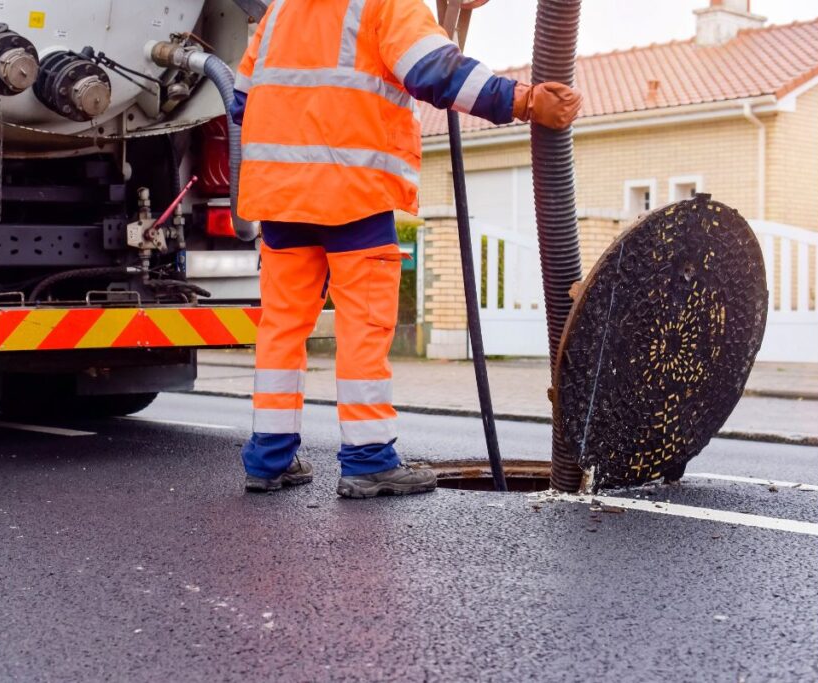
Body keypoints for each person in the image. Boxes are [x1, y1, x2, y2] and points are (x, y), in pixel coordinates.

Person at [230, 0, 582, 498]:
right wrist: (523, 100)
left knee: (281, 329)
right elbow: (433, 70)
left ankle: (268, 461)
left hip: (279, 199)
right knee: (363, 329)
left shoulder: (281, 11)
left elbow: (243, 101)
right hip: (353, 195)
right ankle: (368, 460)